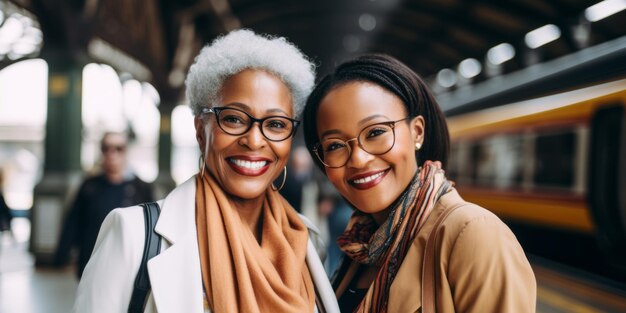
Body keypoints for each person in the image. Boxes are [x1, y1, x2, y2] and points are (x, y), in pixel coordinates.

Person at [73, 29, 340, 313]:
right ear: (201, 131)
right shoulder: (133, 235)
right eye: (234, 119)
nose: (254, 140)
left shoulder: (305, 239)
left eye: (275, 124)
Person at [303, 54, 536, 312]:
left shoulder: (472, 234)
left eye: (376, 132)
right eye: (334, 145)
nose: (358, 159)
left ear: (417, 132)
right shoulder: (362, 246)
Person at [55, 131, 154, 278]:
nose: (111, 153)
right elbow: (74, 221)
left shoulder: (141, 188)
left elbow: (151, 227)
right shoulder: (89, 186)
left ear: (125, 151)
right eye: (106, 148)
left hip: (128, 267)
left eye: (118, 148)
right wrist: (61, 256)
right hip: (91, 263)